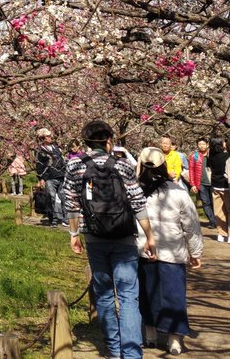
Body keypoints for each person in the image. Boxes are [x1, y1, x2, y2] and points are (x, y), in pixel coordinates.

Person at [67, 120, 155, 359]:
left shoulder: (75, 165)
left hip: (94, 237)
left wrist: (74, 235)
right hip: (124, 236)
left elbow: (71, 203)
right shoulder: (123, 165)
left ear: (86, 141)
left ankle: (114, 351)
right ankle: (132, 354)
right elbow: (138, 202)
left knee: (104, 295)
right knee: (128, 297)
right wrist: (149, 236)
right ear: (108, 140)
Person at [135, 147, 204, 356]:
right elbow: (191, 226)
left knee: (147, 293)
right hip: (172, 251)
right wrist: (195, 252)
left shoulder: (135, 191)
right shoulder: (178, 192)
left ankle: (150, 334)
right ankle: (174, 339)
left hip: (143, 250)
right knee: (174, 296)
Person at [36, 128, 67, 226]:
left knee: (64, 197)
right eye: (48, 136)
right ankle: (53, 218)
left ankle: (65, 218)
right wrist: (41, 178)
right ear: (43, 138)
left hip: (61, 175)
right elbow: (39, 165)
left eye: (50, 136)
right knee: (51, 198)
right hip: (49, 177)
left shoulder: (56, 148)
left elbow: (61, 160)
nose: (50, 138)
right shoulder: (40, 151)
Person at [206, 136, 230, 243]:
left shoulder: (210, 156)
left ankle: (221, 234)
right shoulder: (227, 156)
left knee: (218, 211)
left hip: (215, 185)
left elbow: (209, 169)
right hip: (226, 185)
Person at [189, 138, 215, 227]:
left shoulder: (212, 155)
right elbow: (191, 170)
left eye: (203, 144)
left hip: (213, 182)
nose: (201, 146)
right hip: (201, 183)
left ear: (207, 145)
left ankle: (218, 220)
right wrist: (193, 184)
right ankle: (212, 221)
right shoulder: (194, 156)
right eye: (199, 144)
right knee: (205, 202)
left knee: (214, 202)